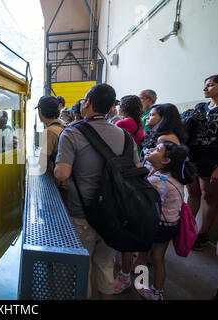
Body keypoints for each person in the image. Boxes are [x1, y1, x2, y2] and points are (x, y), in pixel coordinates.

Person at [54, 84, 140, 300]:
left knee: (82, 266)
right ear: (112, 107)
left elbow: (62, 174)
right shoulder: (125, 136)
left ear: (87, 102)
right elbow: (137, 172)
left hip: (83, 212)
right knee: (105, 265)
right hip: (115, 214)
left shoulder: (72, 132)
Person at [133, 141, 195, 300]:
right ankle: (158, 292)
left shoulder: (156, 180)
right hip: (170, 225)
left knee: (142, 257)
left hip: (155, 225)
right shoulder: (174, 177)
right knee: (158, 259)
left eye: (158, 149)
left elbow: (138, 197)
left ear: (166, 161)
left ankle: (141, 285)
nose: (152, 149)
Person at [183, 74, 218, 250]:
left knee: (209, 197)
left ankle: (203, 235)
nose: (205, 89)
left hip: (212, 160)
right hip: (193, 157)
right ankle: (187, 230)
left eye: (210, 85)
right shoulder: (200, 107)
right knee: (192, 193)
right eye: (205, 85)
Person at [36, 96, 65, 175]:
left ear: (40, 110)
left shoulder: (50, 131)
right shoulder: (62, 125)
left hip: (57, 181)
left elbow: (42, 162)